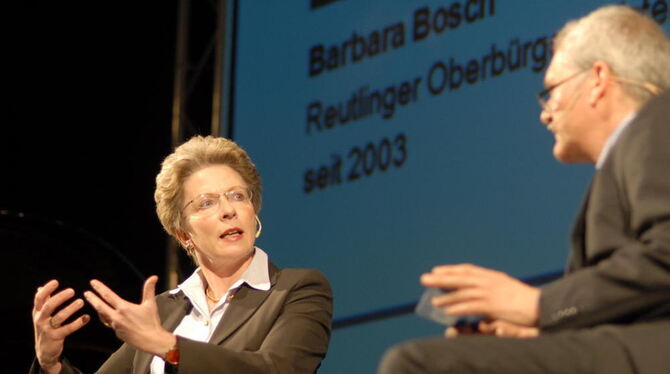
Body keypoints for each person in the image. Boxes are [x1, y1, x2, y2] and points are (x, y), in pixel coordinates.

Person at [378, 5, 670, 374]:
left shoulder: (657, 120)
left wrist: (538, 305)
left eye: (552, 91)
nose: (544, 113)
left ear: (598, 79)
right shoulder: (624, 159)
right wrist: (535, 333)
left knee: (416, 364)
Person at [31, 135, 333, 373]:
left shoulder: (296, 290)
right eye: (206, 203)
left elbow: (277, 370)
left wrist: (168, 346)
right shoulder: (164, 311)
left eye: (238, 196)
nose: (229, 210)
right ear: (183, 234)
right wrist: (50, 364)